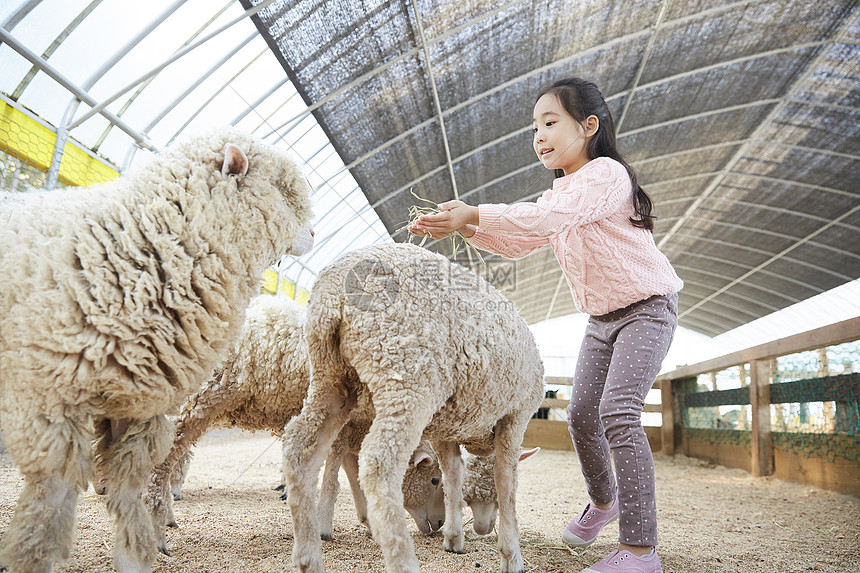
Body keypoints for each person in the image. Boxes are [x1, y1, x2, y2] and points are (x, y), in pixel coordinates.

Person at [408, 77, 682, 573]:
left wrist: (475, 212)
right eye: (534, 127)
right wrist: (462, 224)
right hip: (602, 320)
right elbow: (519, 241)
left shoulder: (605, 176)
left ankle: (642, 551)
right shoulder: (559, 194)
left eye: (550, 123)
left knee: (617, 412)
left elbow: (541, 219)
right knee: (580, 416)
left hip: (648, 308)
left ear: (589, 127)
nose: (539, 135)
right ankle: (604, 504)